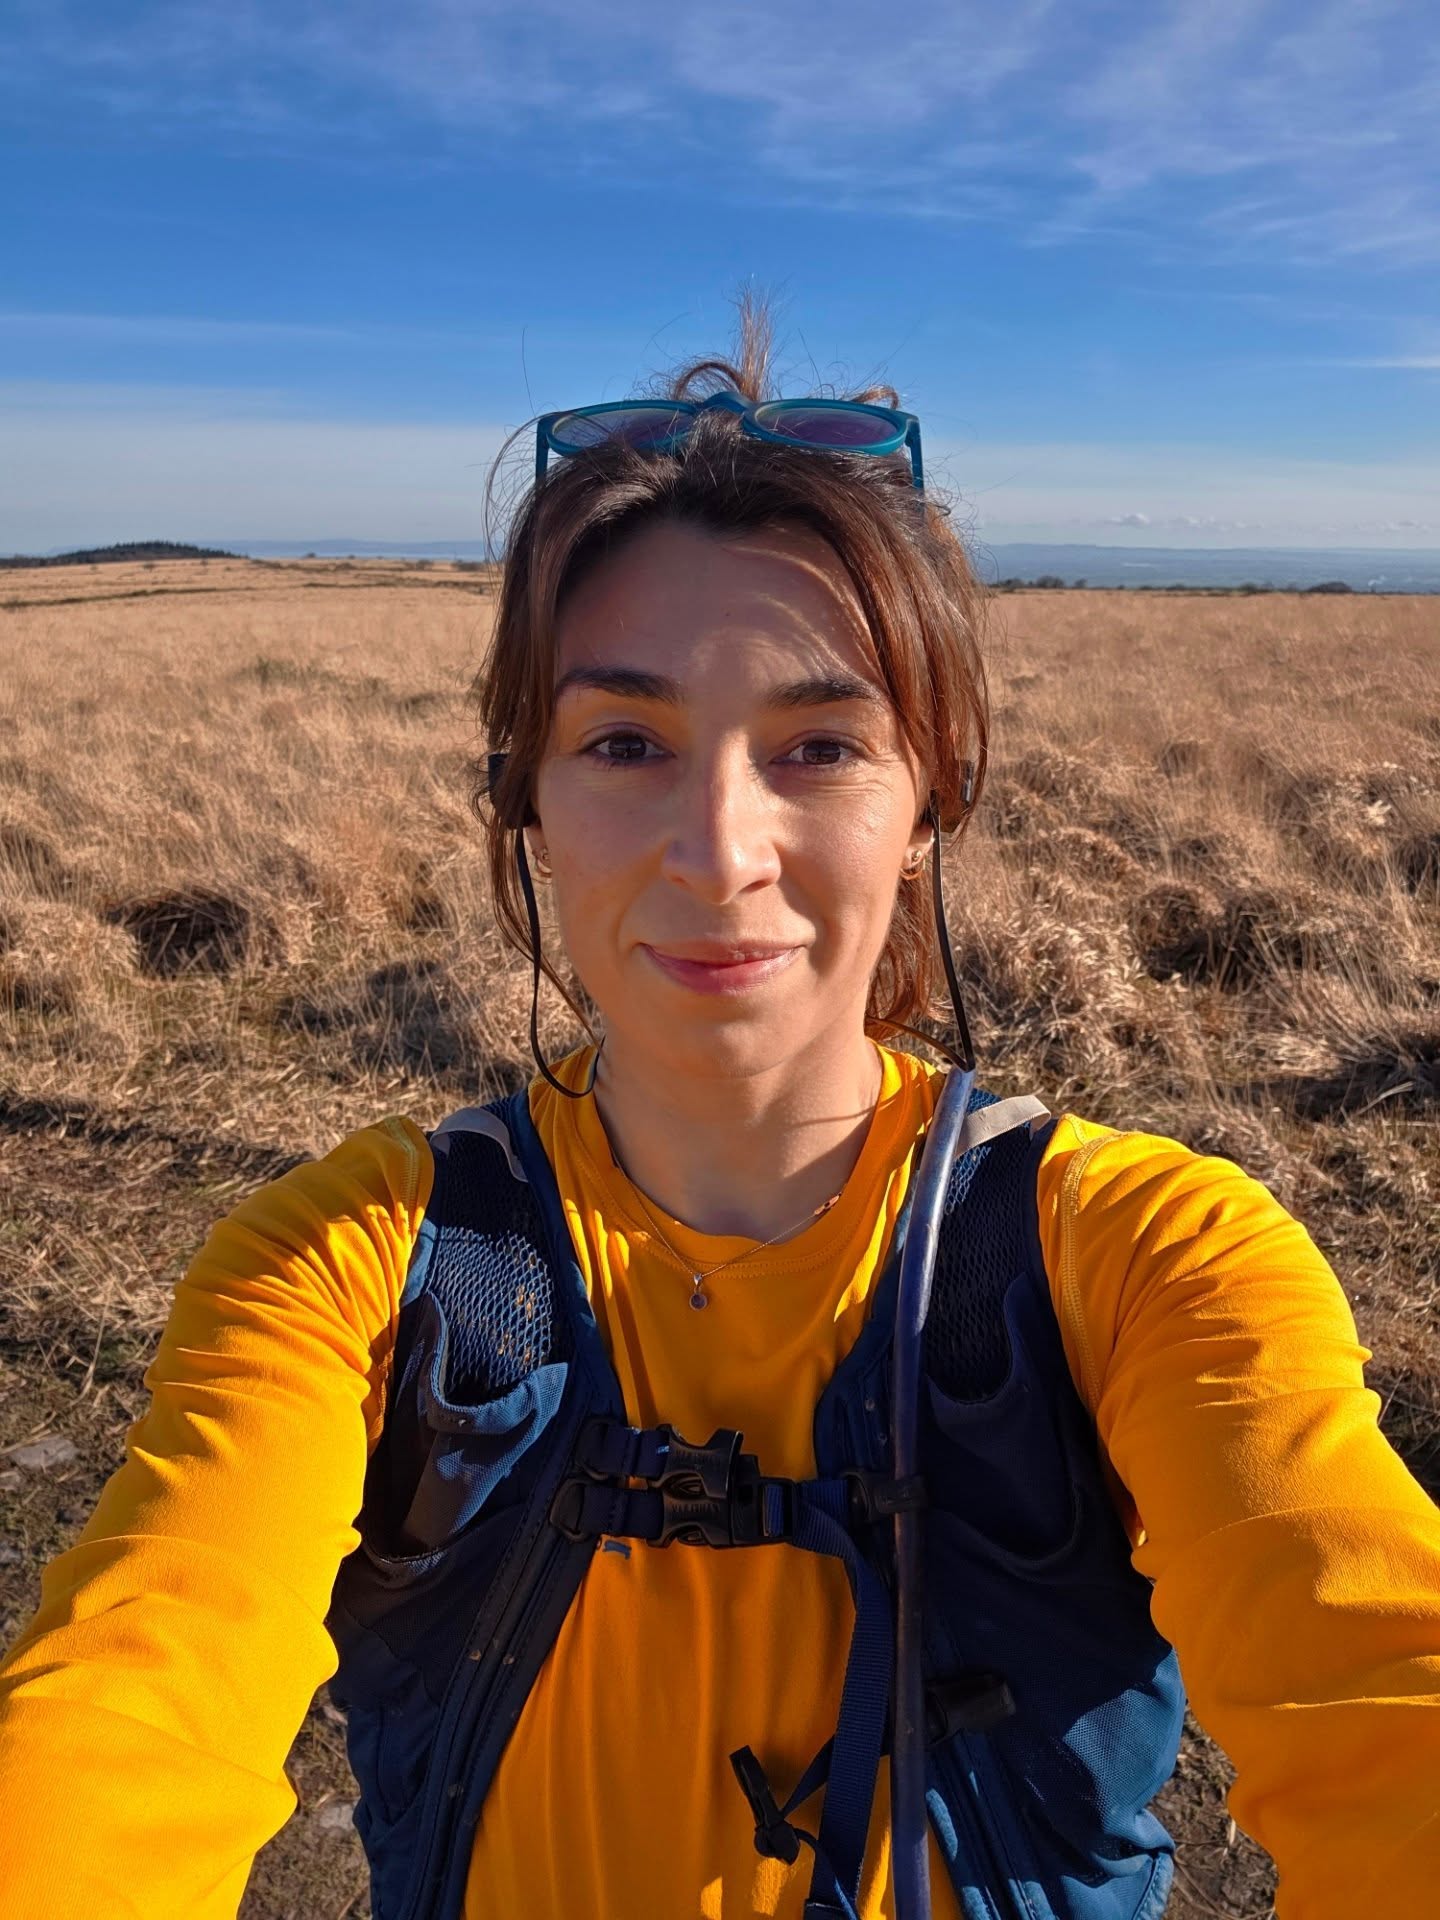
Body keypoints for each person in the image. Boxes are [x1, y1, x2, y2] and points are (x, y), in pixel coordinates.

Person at [1, 303, 1438, 1920]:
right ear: (525, 804)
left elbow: (1386, 1693)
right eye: (624, 742)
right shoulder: (355, 1259)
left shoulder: (1151, 1258)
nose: (721, 847)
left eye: (819, 744)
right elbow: (136, 1695)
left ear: (928, 799)